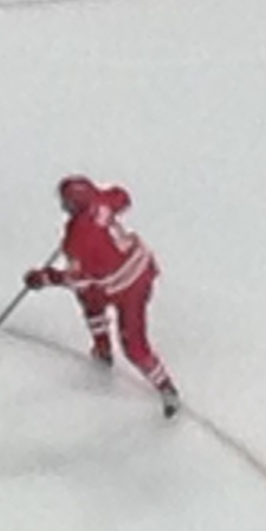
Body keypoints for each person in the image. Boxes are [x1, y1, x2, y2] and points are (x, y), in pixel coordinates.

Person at [22, 175, 180, 417]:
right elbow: (123, 197)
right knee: (90, 299)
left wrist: (44, 278)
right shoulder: (100, 201)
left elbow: (77, 279)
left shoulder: (78, 240)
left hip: (127, 288)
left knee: (133, 345)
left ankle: (166, 387)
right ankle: (102, 348)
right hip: (141, 265)